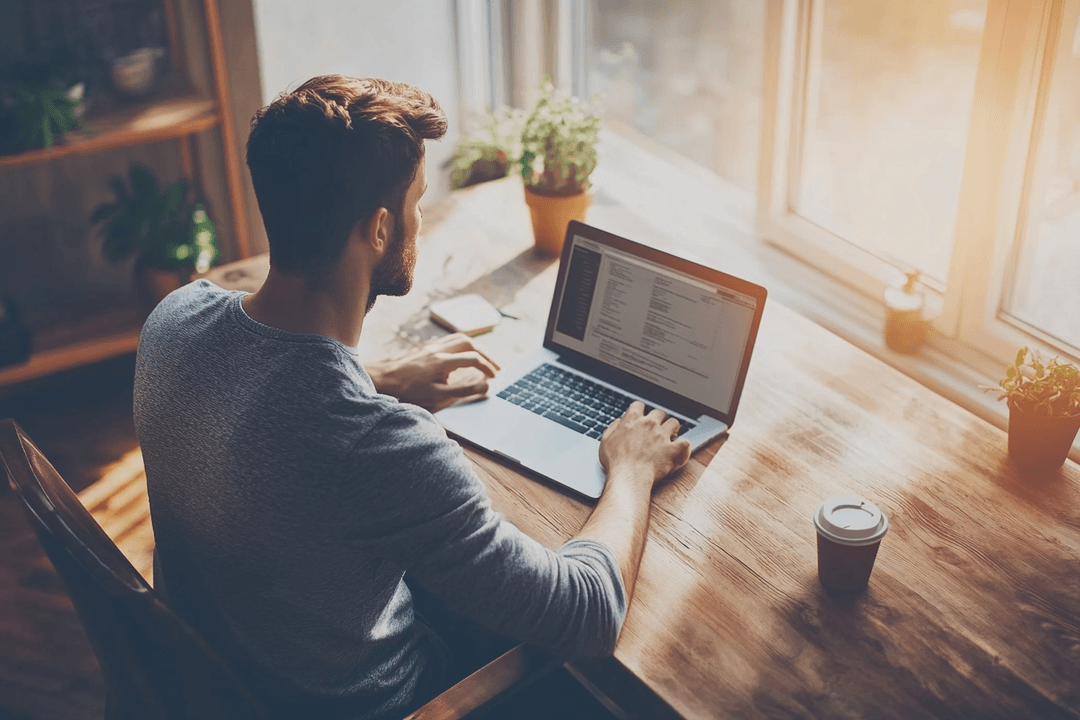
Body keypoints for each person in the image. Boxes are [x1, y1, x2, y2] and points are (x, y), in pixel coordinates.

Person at [133, 75, 690, 720]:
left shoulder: (175, 319)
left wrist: (376, 378)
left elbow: (267, 391)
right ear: (379, 228)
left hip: (231, 676)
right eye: (418, 201)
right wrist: (632, 467)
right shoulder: (380, 448)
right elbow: (584, 614)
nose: (419, 220)